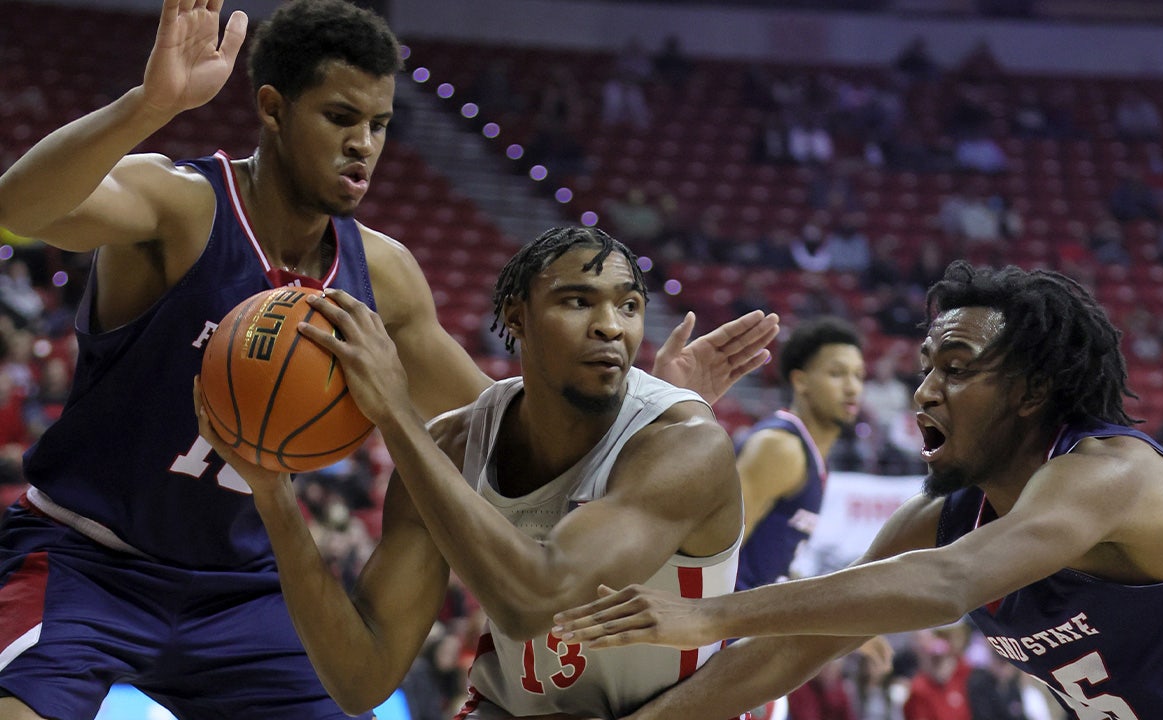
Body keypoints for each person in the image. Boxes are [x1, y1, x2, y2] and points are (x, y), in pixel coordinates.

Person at [0, 2, 777, 718]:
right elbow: (18, 210)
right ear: (271, 108)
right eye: (340, 117)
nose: (362, 144)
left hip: (242, 589)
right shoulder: (182, 206)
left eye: (377, 123)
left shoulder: (385, 275)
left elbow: (500, 421)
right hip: (84, 558)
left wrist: (636, 400)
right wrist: (152, 107)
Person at [552, 260, 1163, 719]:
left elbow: (946, 584)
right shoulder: (941, 518)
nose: (924, 390)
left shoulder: (1113, 477)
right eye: (926, 365)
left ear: (1031, 390)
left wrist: (707, 616)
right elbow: (789, 649)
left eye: (956, 367)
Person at [195, 226, 747, 719]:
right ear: (515, 316)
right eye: (578, 301)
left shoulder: (684, 444)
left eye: (628, 306)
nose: (610, 327)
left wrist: (395, 413)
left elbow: (534, 603)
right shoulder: (455, 443)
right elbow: (362, 680)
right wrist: (273, 494)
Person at [736, 316, 864, 591]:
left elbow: (769, 565)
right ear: (800, 381)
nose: (852, 387)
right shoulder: (781, 448)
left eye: (858, 375)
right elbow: (715, 549)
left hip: (746, 619)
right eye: (837, 373)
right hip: (722, 626)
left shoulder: (812, 453)